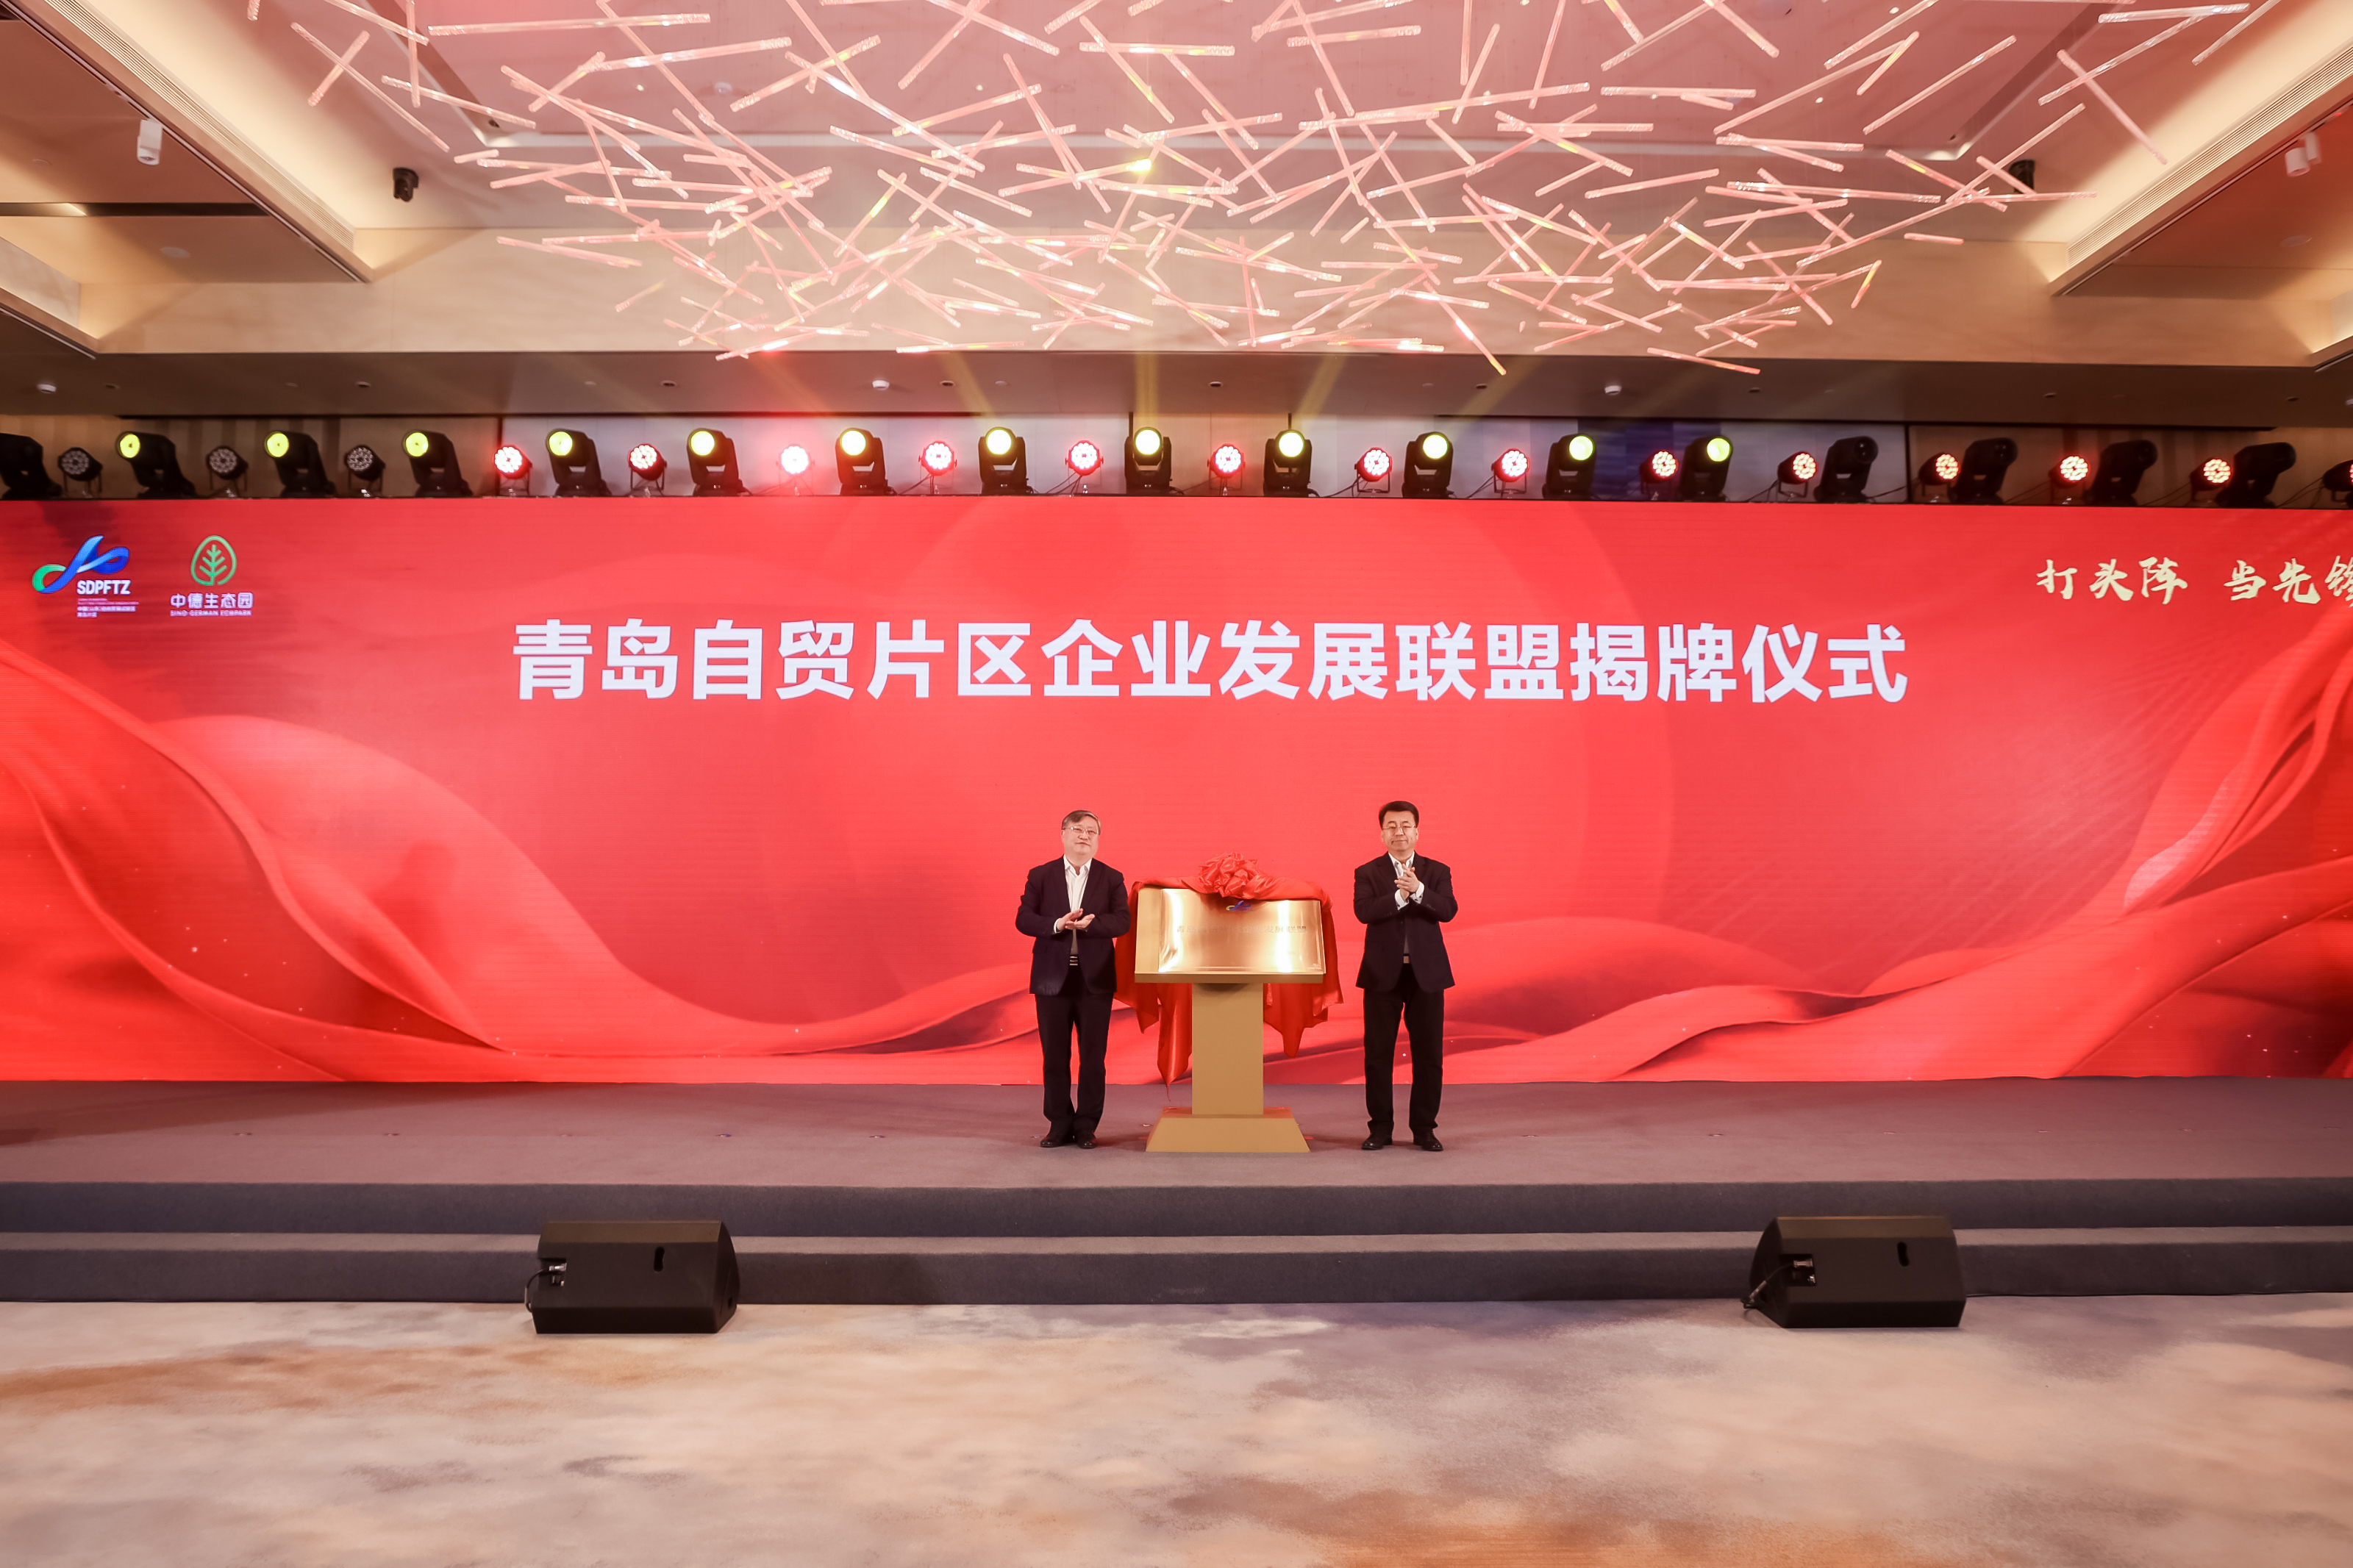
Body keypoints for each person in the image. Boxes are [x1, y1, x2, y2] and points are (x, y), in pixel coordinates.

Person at [1015, 810, 1130, 1148]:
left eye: (1092, 832)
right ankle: (1059, 1123)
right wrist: (1057, 924)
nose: (1084, 836)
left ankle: (1087, 1126)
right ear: (1063, 834)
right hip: (1052, 980)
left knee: (1093, 1058)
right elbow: (1024, 918)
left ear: (1098, 840)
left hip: (1094, 980)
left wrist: (1093, 925)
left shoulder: (1111, 877)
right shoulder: (1041, 875)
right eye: (1078, 829)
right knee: (1055, 1056)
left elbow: (1123, 921)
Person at [1353, 799, 1456, 1150]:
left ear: (1417, 831)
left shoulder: (1436, 870)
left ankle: (1424, 1129)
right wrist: (1399, 896)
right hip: (1382, 975)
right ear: (1382, 834)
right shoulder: (1367, 872)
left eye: (1406, 825)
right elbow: (1363, 912)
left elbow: (1448, 910)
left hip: (1427, 975)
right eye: (1392, 826)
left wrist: (1420, 891)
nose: (1399, 832)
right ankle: (1380, 1128)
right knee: (1377, 1054)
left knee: (1429, 1055)